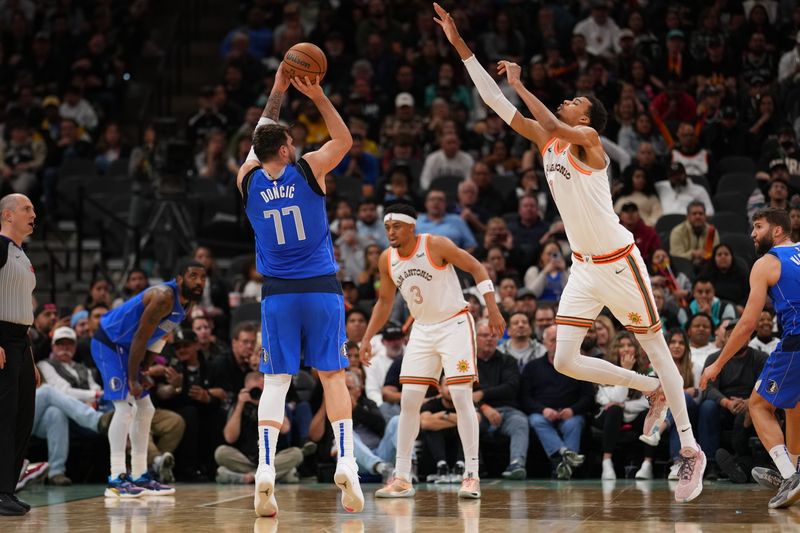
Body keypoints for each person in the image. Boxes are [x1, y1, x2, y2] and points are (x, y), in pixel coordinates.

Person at [435, 2, 705, 502]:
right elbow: (495, 104)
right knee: (563, 357)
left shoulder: (588, 140)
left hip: (621, 262)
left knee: (658, 348)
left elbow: (545, 118)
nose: (570, 100)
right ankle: (649, 390)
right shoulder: (548, 141)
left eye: (577, 98)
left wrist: (522, 84)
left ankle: (689, 447)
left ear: (587, 116)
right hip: (583, 268)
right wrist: (460, 46)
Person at [236, 67, 363, 516]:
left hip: (277, 294)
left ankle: (266, 467)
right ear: (288, 147)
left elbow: (259, 139)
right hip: (321, 289)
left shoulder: (247, 179)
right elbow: (345, 140)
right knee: (332, 375)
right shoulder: (309, 169)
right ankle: (345, 459)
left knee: (275, 380)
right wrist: (318, 96)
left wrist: (276, 90)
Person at [359, 202, 506, 500]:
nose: (390, 232)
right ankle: (401, 477)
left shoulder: (435, 244)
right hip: (423, 329)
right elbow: (384, 303)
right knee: (409, 402)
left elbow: (477, 267)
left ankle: (471, 475)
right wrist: (366, 338)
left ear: (412, 227)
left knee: (462, 396)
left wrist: (492, 308)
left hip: (454, 324)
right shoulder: (387, 259)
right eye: (387, 227)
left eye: (396, 227)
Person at [701, 208, 800, 508]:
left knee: (758, 405)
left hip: (795, 342)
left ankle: (788, 476)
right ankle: (794, 468)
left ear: (778, 231)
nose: (753, 234)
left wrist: (717, 364)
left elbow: (747, 324)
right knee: (794, 407)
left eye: (758, 227)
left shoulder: (767, 263)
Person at [91, 259, 206, 498]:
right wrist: (134, 378)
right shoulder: (164, 295)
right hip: (109, 344)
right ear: (180, 279)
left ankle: (140, 475)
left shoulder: (188, 303)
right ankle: (116, 477)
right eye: (194, 276)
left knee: (146, 409)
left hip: (129, 349)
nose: (199, 282)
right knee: (125, 408)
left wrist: (143, 370)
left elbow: (159, 337)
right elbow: (140, 339)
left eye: (203, 278)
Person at [0, 193, 38, 515]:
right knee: (4, 417)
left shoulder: (22, 255)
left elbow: (22, 308)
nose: (33, 213)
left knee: (24, 416)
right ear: (7, 215)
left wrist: (31, 358)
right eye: (26, 209)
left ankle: (8, 490)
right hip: (2, 338)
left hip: (21, 343)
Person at [521, 325, 594, 480]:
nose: (557, 344)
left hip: (571, 414)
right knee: (536, 420)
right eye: (553, 340)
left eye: (561, 340)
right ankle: (565, 457)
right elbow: (525, 398)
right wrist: (543, 410)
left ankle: (561, 464)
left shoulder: (579, 364)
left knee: (573, 423)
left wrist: (572, 410)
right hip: (543, 415)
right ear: (544, 343)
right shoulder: (532, 367)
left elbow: (588, 397)